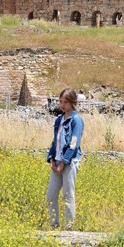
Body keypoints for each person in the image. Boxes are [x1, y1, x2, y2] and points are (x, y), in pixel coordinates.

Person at [46, 88, 85, 230]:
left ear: (73, 103)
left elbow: (74, 143)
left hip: (69, 162)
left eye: (66, 102)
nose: (62, 105)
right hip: (56, 161)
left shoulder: (76, 121)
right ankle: (54, 225)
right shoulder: (59, 120)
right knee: (51, 195)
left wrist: (64, 162)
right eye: (61, 102)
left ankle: (69, 227)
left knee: (68, 195)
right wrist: (51, 159)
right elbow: (55, 141)